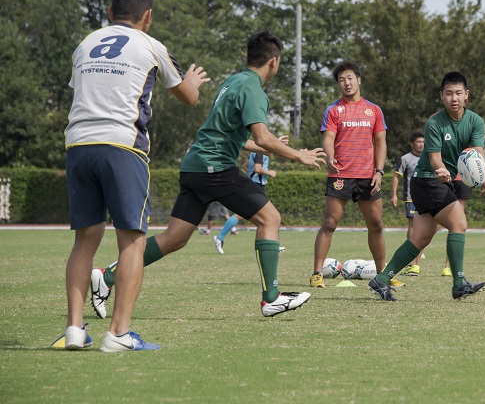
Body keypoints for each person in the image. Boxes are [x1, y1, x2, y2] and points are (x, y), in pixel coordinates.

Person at [89, 31, 325, 320]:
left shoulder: (233, 82)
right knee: (270, 219)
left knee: (174, 238)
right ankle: (271, 299)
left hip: (195, 166)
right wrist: (298, 154)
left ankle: (106, 275)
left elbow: (233, 136)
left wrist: (274, 148)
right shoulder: (254, 90)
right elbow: (262, 137)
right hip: (215, 168)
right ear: (274, 62)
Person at [63, 0, 209, 351]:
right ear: (147, 16)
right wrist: (191, 80)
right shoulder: (151, 45)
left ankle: (75, 331)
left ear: (111, 12)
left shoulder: (85, 44)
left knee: (85, 240)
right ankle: (118, 334)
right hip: (122, 146)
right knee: (131, 242)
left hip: (78, 146)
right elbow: (188, 97)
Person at [369, 72, 485, 302]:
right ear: (441, 96)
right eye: (448, 94)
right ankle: (459, 283)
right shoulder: (435, 122)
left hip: (432, 183)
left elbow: (477, 151)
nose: (453, 98)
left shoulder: (476, 121)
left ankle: (382, 279)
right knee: (459, 223)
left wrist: (482, 169)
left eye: (458, 93)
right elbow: (434, 157)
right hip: (428, 179)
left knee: (420, 239)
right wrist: (442, 169)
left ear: (466, 96)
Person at [310, 61, 401, 288]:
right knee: (329, 224)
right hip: (340, 175)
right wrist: (330, 157)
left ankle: (383, 275)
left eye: (350, 78)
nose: (346, 83)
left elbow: (381, 143)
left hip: (367, 176)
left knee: (377, 225)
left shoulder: (374, 110)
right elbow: (328, 138)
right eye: (341, 80)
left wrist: (379, 171)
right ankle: (316, 274)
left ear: (358, 80)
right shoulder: (334, 110)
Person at [212, 149, 281, 254]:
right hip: (256, 187)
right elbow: (257, 169)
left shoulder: (254, 151)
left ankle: (272, 245)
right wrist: (269, 172)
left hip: (255, 185)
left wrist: (260, 177)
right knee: (268, 216)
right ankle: (220, 237)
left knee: (265, 216)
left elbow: (245, 165)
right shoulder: (260, 152)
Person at [391, 132, 424, 276]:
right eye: (418, 142)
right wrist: (393, 195)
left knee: (423, 228)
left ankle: (416, 260)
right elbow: (396, 177)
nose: (421, 144)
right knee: (413, 225)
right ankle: (412, 254)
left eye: (423, 141)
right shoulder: (405, 159)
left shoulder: (429, 157)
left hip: (426, 197)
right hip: (411, 197)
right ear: (412, 143)